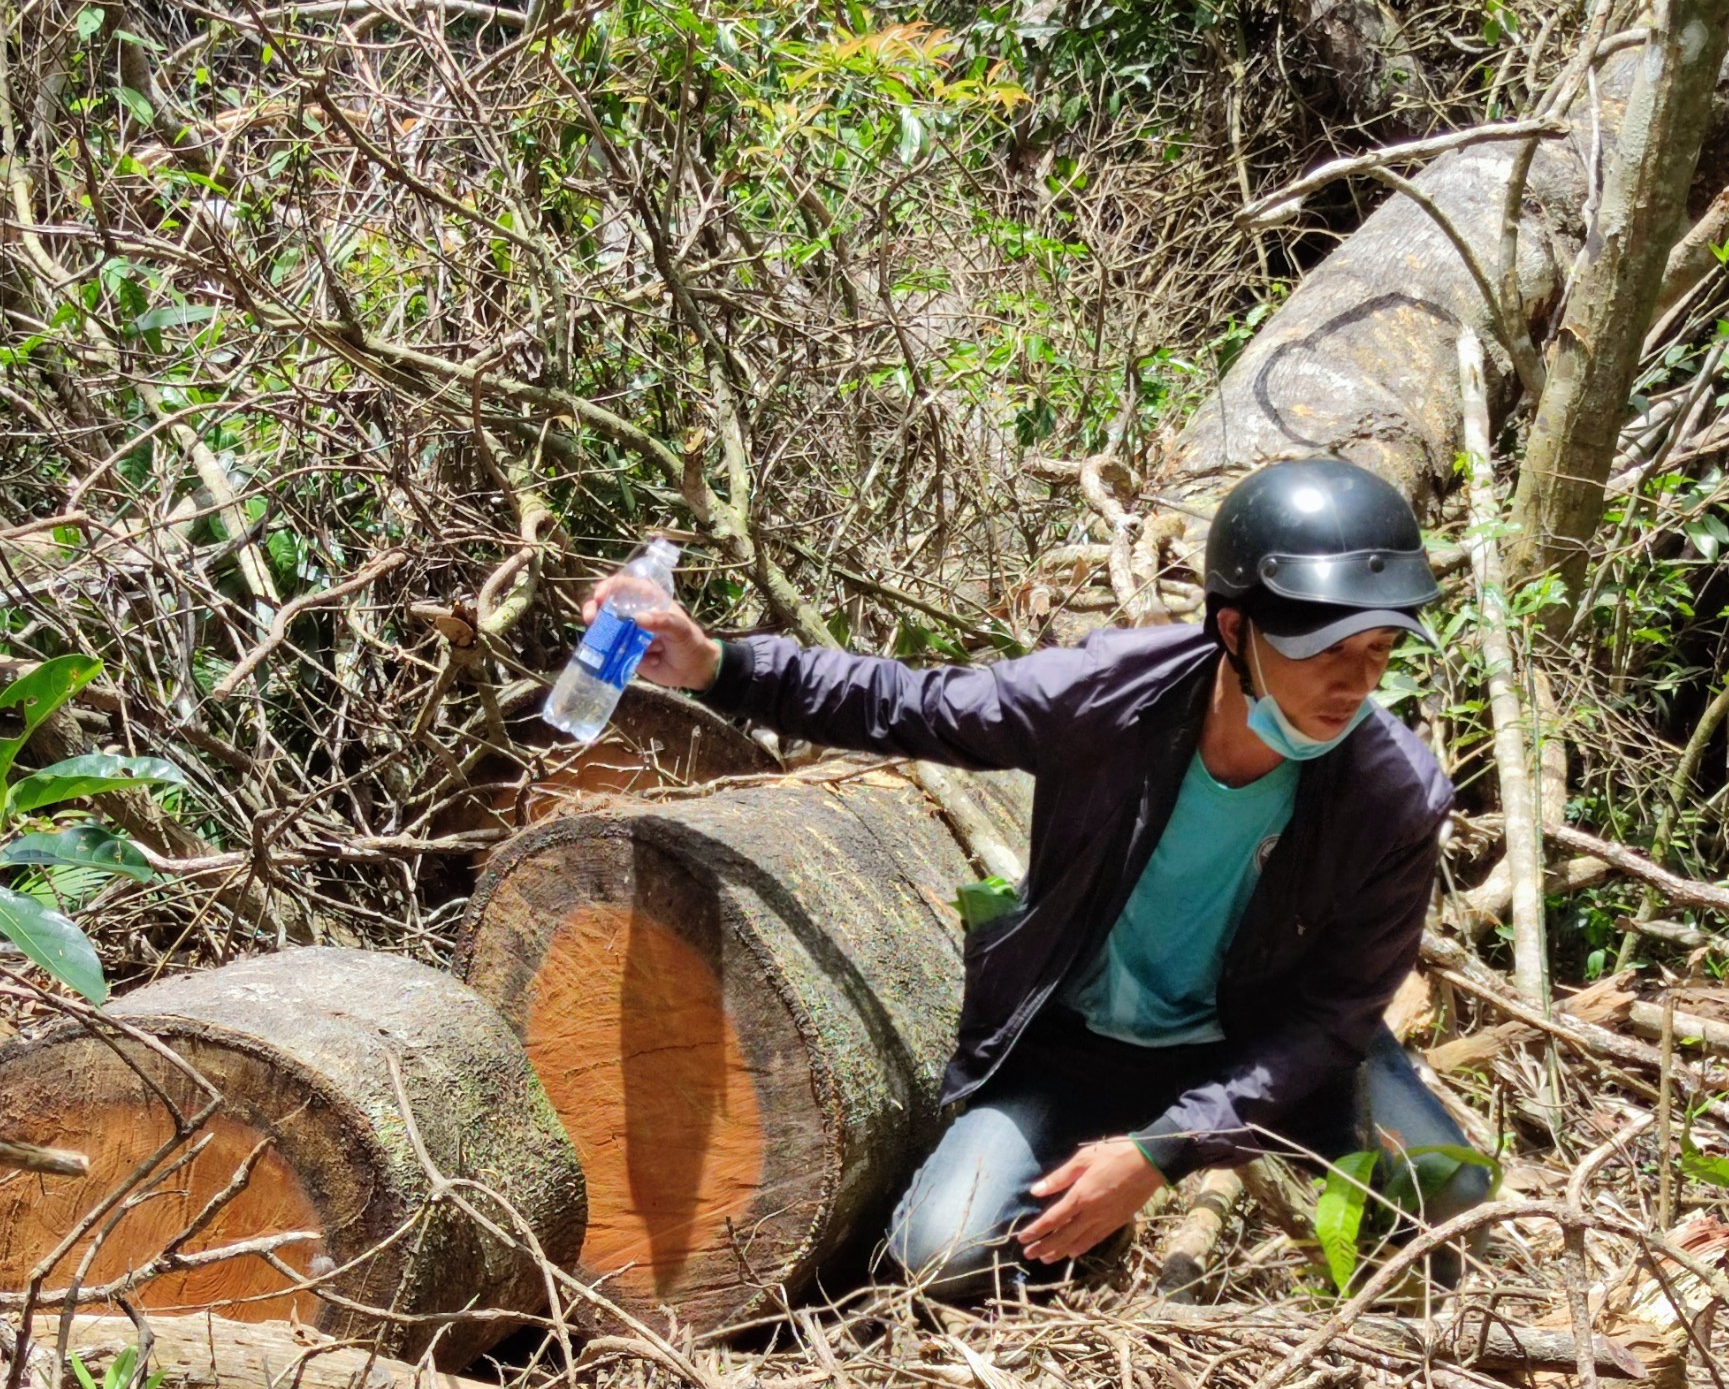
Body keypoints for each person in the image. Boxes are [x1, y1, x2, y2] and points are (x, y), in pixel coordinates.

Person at [588, 456, 1490, 1295]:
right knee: (939, 1253)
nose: (1352, 683)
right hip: (1085, 1044)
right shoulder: (1109, 698)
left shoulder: (1393, 795)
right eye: (1324, 650)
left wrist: (1161, 1152)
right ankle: (1076, 1237)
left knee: (1448, 1200)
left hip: (1265, 1046)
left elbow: (1334, 1020)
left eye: (1375, 652)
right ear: (1234, 629)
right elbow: (916, 705)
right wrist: (719, 666)